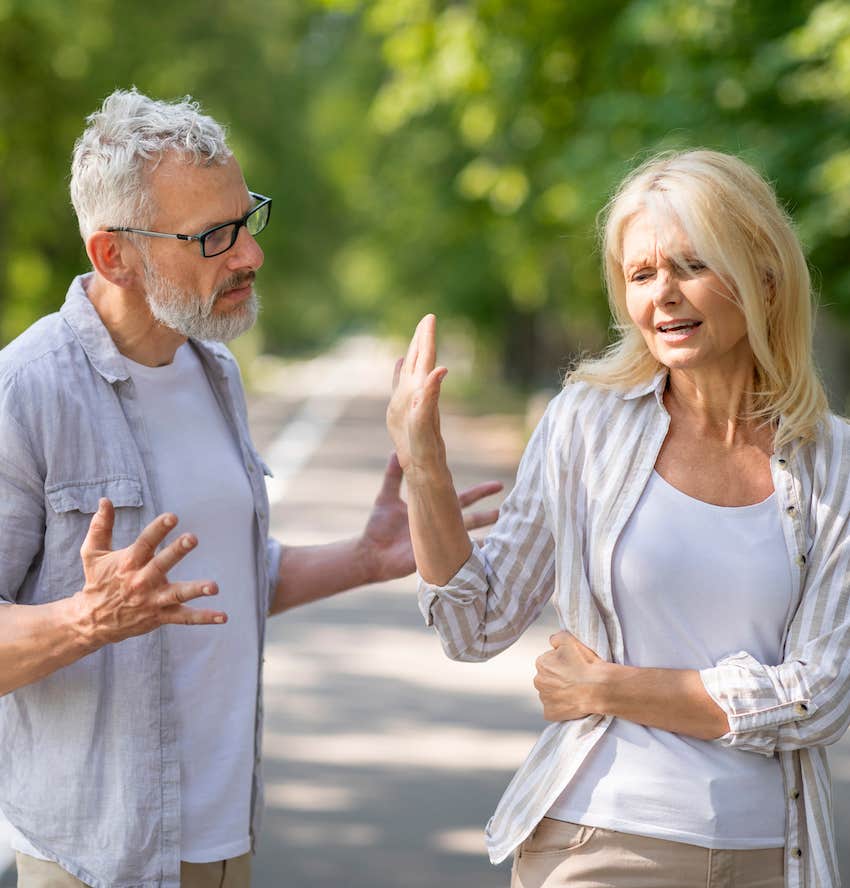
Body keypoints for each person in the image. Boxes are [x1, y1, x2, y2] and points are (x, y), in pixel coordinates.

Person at [0, 88, 501, 888]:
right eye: (213, 237)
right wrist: (86, 619)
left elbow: (214, 588)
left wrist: (364, 559)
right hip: (102, 861)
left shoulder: (213, 368)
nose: (249, 255)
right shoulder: (26, 393)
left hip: (226, 844)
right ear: (113, 256)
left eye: (247, 218)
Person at [387, 149, 850, 888]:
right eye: (641, 275)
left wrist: (608, 687)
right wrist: (425, 467)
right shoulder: (585, 426)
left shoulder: (835, 463)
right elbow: (474, 623)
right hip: (604, 836)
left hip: (779, 853)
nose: (663, 295)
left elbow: (821, 697)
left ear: (764, 275)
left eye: (692, 265)